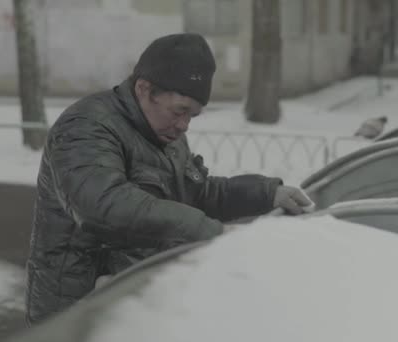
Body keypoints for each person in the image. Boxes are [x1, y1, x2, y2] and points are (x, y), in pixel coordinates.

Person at [25, 33, 312, 325]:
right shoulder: (86, 127)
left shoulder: (165, 132)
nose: (184, 125)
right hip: (75, 311)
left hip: (132, 299)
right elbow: (103, 205)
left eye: (193, 116)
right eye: (180, 111)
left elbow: (199, 193)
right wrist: (210, 231)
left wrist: (265, 194)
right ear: (143, 89)